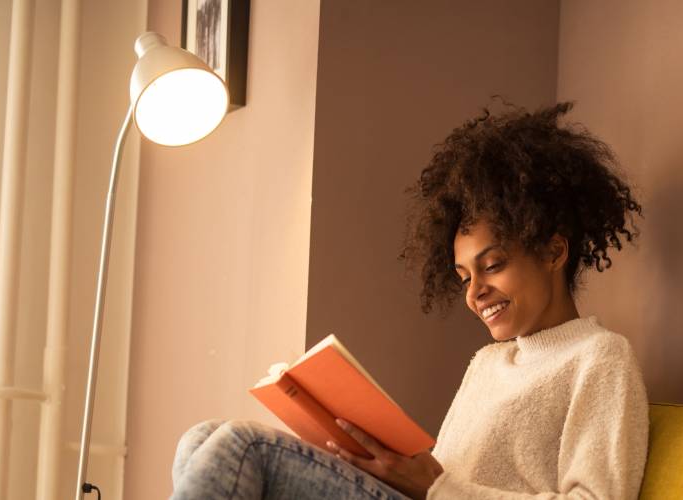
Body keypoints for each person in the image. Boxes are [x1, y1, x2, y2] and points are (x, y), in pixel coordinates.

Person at [170, 102, 648, 500]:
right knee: (201, 439)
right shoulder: (487, 363)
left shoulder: (598, 358)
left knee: (241, 446)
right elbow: (441, 481)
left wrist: (436, 485)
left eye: (493, 264)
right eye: (463, 276)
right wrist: (387, 463)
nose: (475, 291)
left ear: (553, 251)